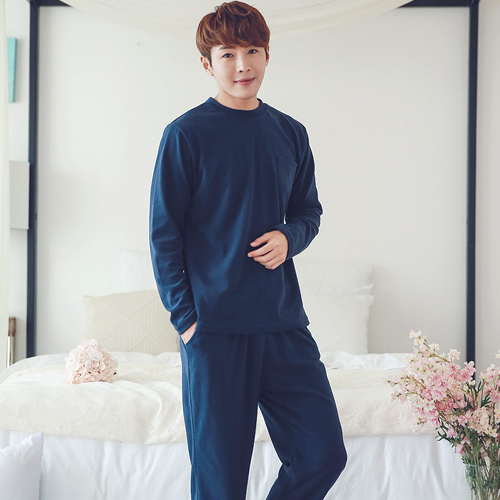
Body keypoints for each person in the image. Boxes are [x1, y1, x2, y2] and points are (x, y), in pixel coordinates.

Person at [149, 2, 347, 499]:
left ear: (267, 55)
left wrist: (289, 237)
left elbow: (308, 212)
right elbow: (164, 236)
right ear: (207, 63)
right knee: (220, 485)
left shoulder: (291, 133)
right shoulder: (185, 135)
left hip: (283, 325)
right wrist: (187, 321)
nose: (243, 65)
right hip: (214, 332)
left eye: (253, 51)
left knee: (323, 455)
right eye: (228, 54)